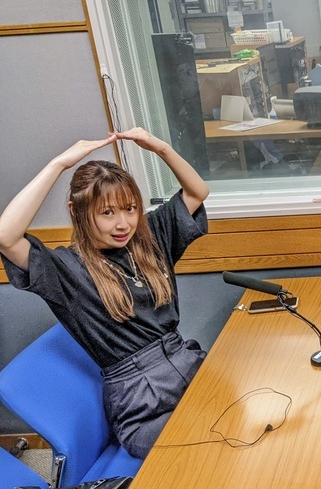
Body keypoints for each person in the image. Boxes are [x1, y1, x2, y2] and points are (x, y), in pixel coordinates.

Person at [0, 127, 210, 459]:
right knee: (210, 443)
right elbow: (6, 236)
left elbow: (197, 191)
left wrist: (160, 148)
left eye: (130, 209)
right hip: (142, 406)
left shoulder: (150, 237)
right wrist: (58, 164)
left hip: (188, 365)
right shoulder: (67, 270)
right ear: (77, 212)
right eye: (107, 213)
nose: (123, 223)